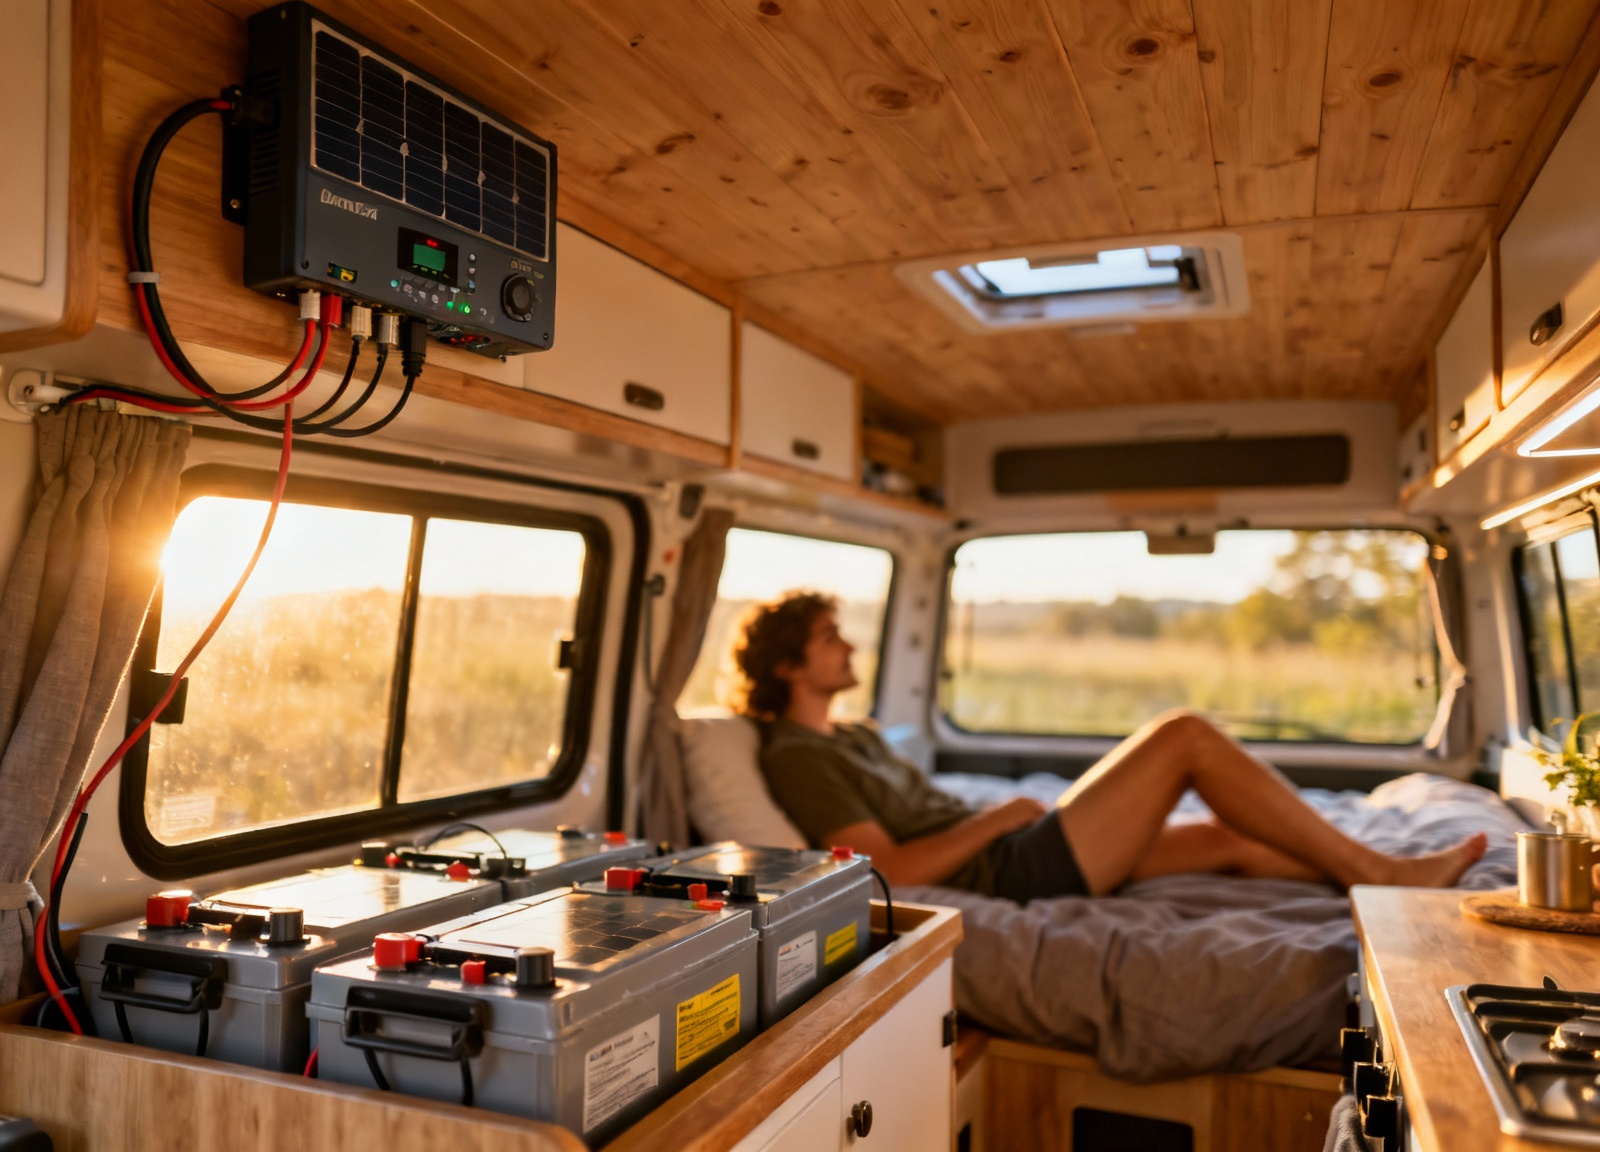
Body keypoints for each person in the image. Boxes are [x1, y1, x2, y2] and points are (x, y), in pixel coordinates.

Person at [734, 591, 1487, 902]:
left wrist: (1005, 814)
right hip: (1011, 868)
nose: (848, 644)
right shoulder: (797, 756)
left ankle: (1383, 891)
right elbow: (887, 869)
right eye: (829, 638)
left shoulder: (856, 732)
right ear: (787, 666)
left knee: (1228, 838)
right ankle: (1385, 871)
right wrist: (998, 819)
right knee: (1183, 736)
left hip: (1018, 837)